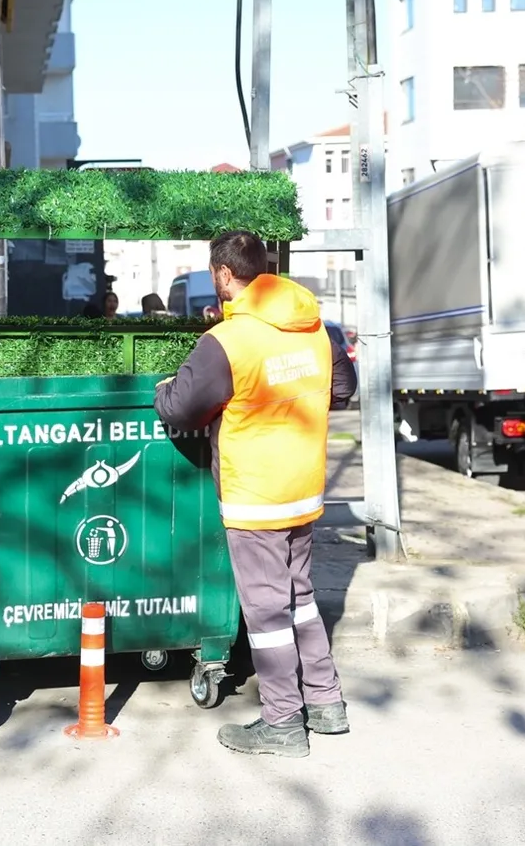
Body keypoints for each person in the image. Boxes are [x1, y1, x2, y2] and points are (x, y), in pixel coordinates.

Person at [154, 230, 357, 759]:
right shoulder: (312, 324)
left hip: (255, 494)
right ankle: (326, 703)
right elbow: (342, 388)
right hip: (304, 487)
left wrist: (163, 388)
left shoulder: (229, 341)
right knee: (301, 599)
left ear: (223, 274)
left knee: (266, 613)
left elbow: (179, 408)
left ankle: (283, 722)